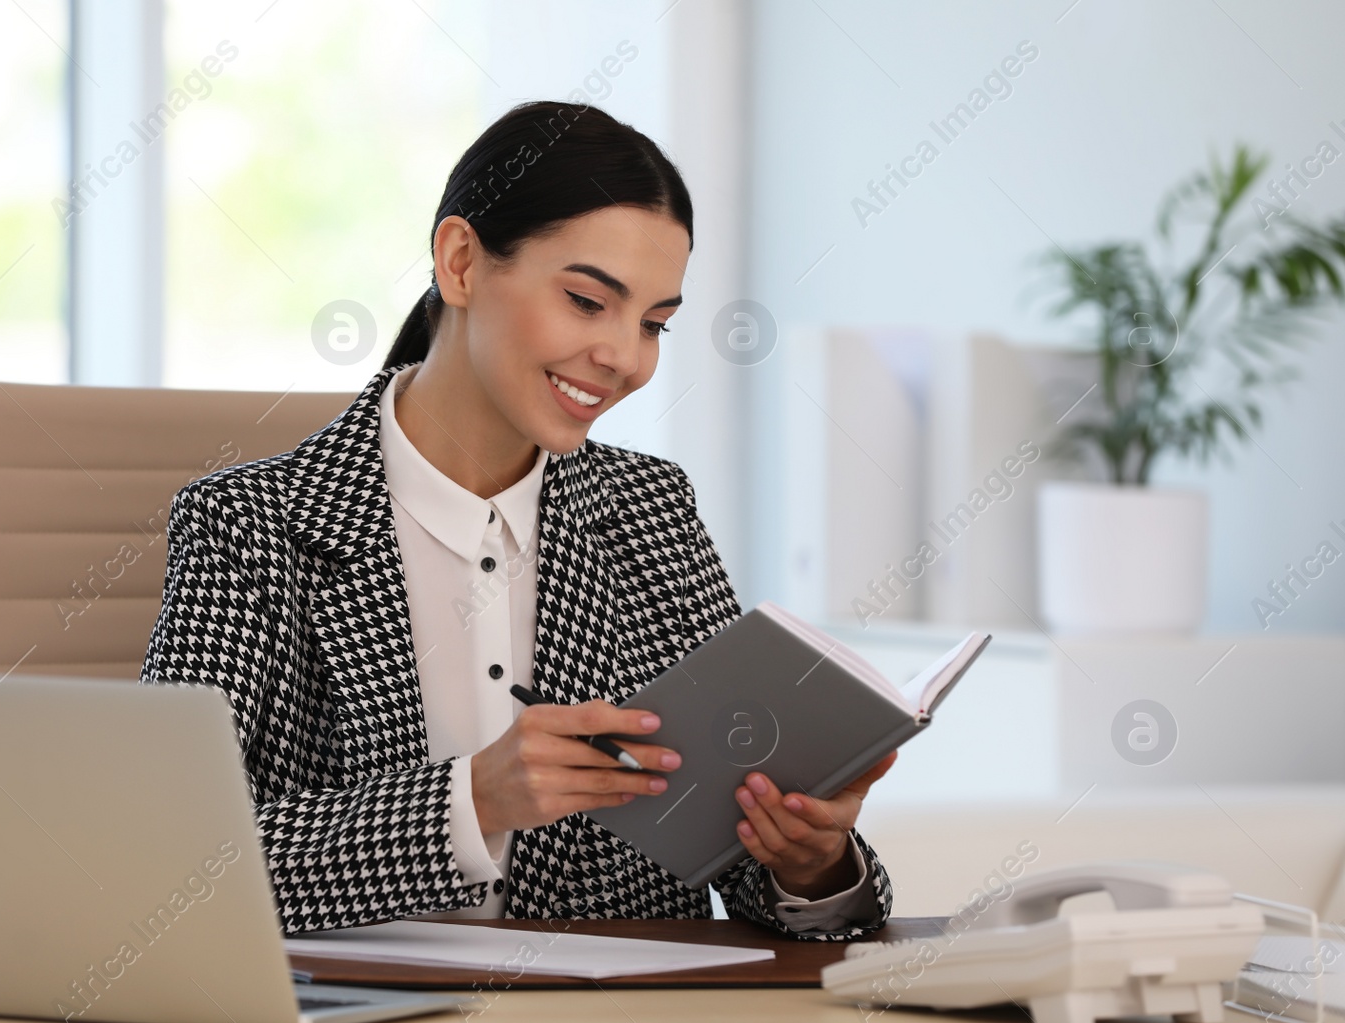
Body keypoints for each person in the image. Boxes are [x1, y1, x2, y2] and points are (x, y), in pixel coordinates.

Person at [141, 99, 897, 939]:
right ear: (461, 262)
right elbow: (168, 864)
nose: (624, 357)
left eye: (654, 324)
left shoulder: (649, 511)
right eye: (586, 301)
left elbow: (742, 860)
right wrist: (470, 800)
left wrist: (808, 860)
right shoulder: (249, 527)